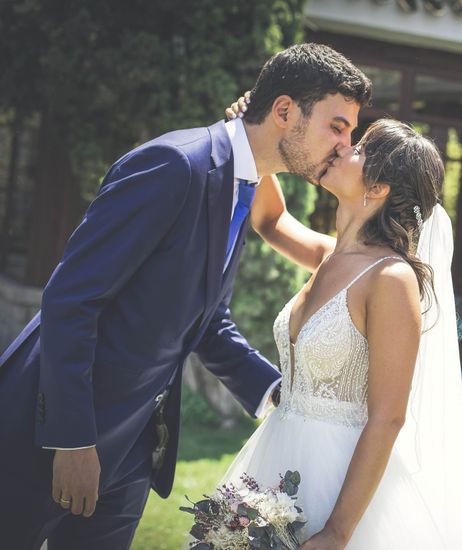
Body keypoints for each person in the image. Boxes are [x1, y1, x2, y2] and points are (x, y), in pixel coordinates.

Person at [0, 43, 371, 550]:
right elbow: (71, 298)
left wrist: (278, 395)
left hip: (131, 447)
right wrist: (71, 439)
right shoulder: (175, 165)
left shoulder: (243, 184)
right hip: (47, 433)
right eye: (338, 126)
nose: (345, 145)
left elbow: (204, 317)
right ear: (285, 112)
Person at [215, 117, 462, 549]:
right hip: (279, 453)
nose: (341, 148)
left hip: (341, 477)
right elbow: (270, 219)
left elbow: (388, 416)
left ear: (378, 188)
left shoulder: (390, 279)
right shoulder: (329, 254)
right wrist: (257, 133)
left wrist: (338, 532)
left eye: (357, 148)